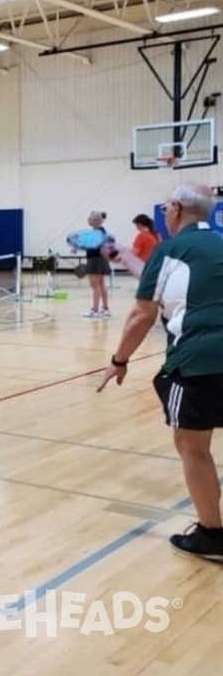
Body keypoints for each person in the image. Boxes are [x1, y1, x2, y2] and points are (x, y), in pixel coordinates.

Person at [98, 184, 223, 561]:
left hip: (198, 361)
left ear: (176, 209)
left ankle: (212, 536)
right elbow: (179, 285)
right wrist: (129, 260)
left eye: (166, 208)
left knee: (192, 447)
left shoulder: (169, 249)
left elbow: (142, 314)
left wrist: (119, 360)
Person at [82, 211, 111, 319]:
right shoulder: (101, 231)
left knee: (94, 285)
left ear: (95, 220)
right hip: (100, 259)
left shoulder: (97, 233)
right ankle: (105, 309)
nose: (88, 220)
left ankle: (95, 310)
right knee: (101, 284)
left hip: (96, 260)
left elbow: (91, 246)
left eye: (89, 218)